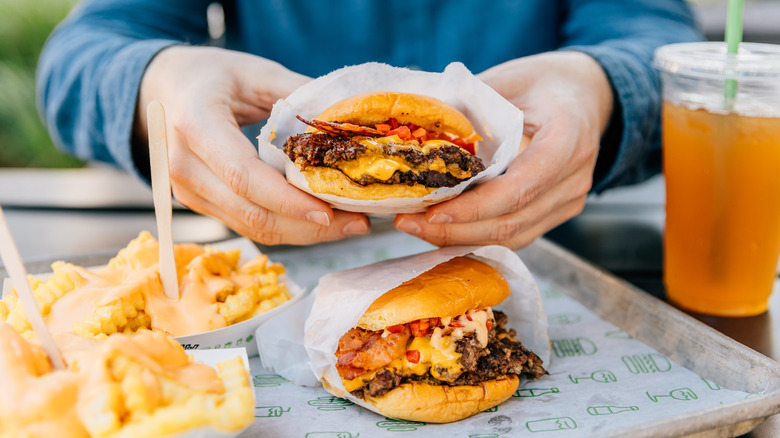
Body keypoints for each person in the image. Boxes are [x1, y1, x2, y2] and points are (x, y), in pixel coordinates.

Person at [36, 0, 702, 249]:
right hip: (265, 252)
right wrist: (158, 81)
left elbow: (655, 40)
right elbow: (80, 57)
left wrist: (601, 88)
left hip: (550, 249)